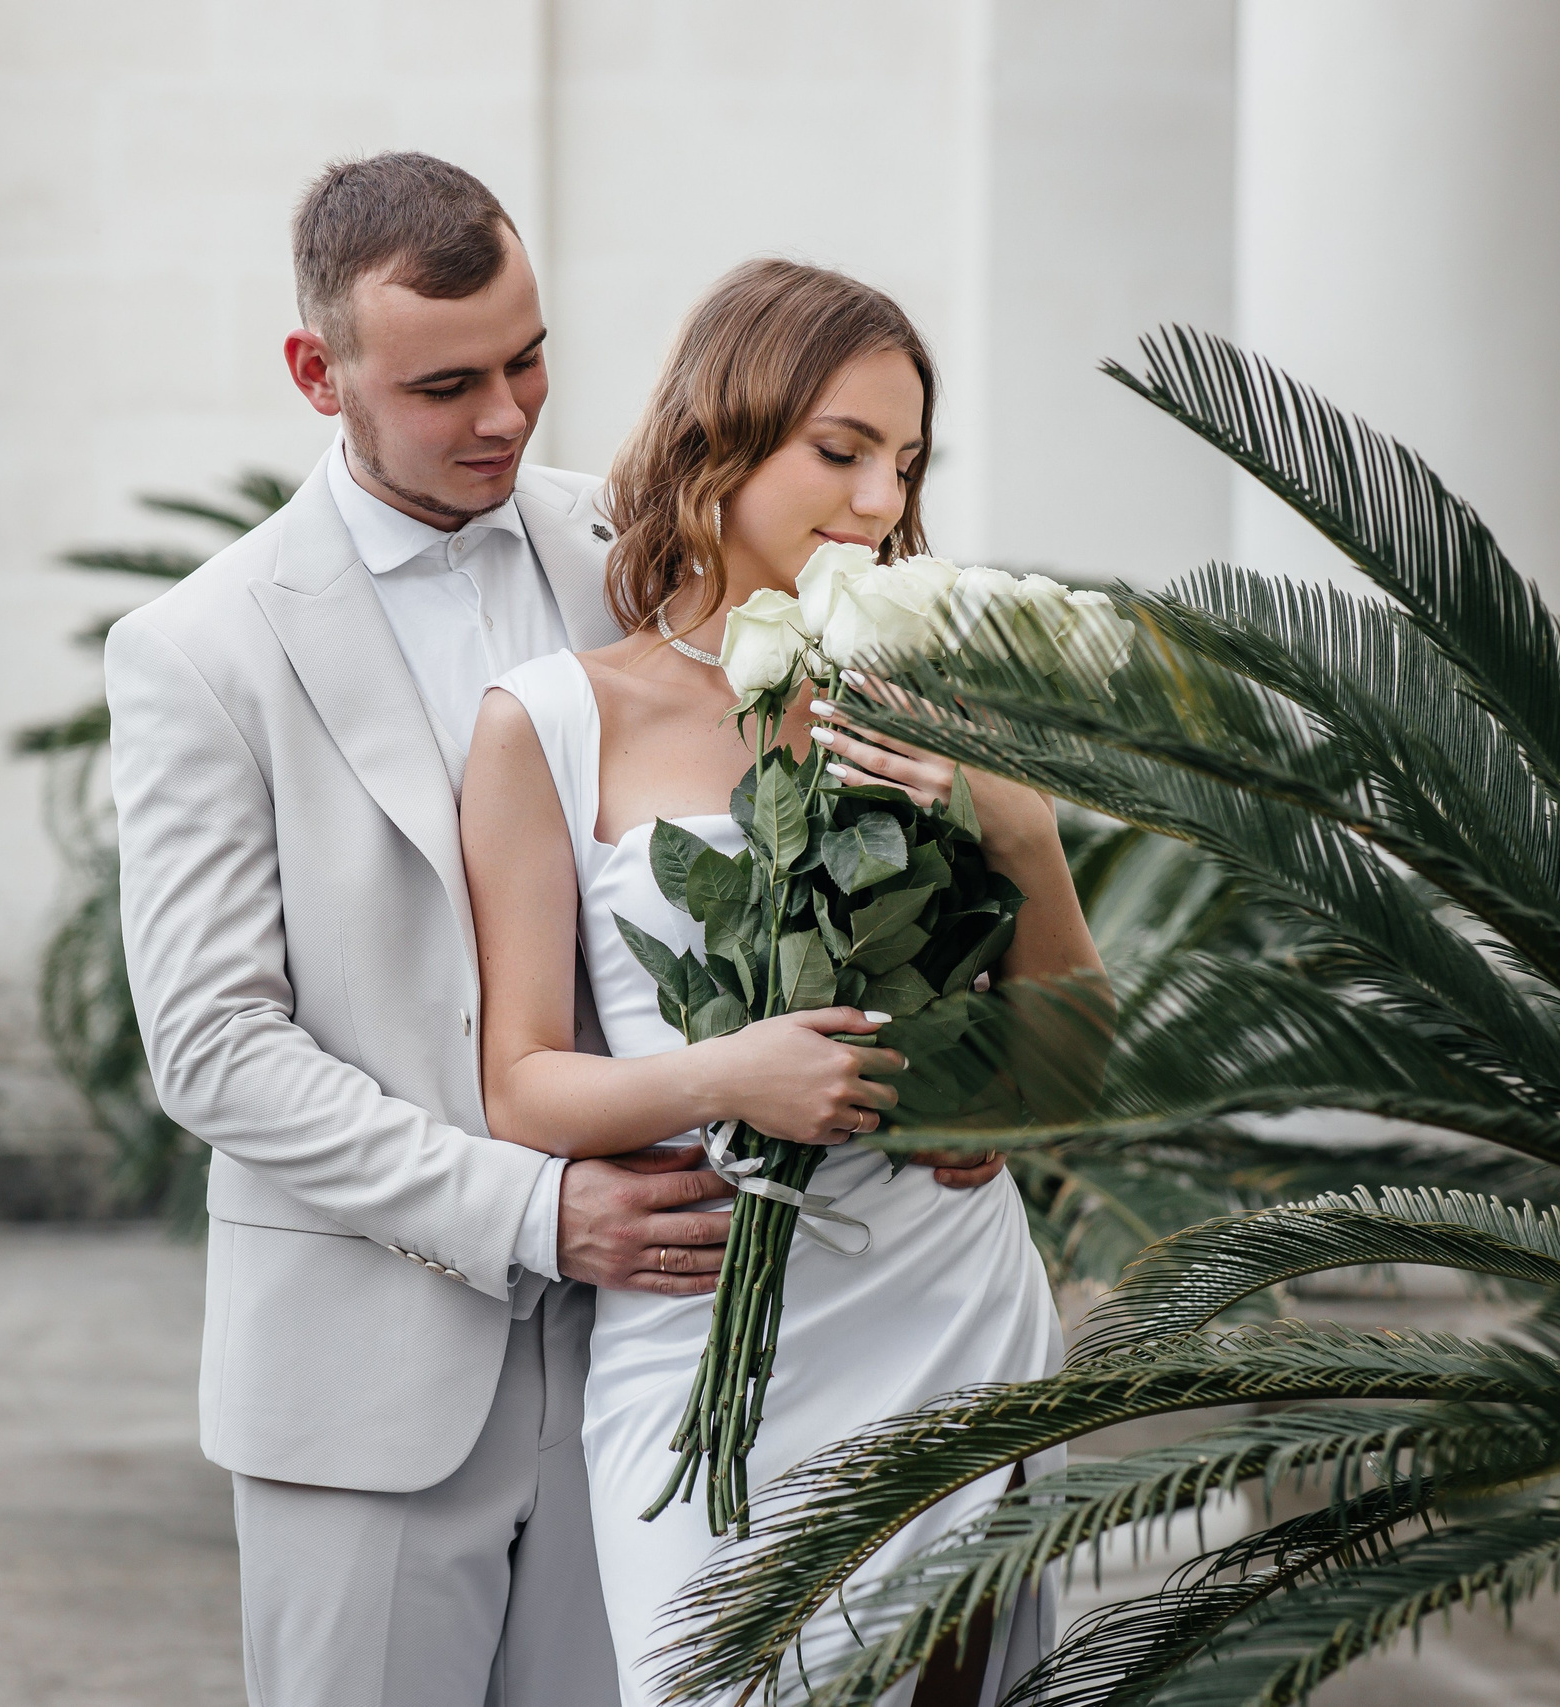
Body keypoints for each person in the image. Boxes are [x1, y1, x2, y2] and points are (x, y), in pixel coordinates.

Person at [108, 156, 1006, 1706]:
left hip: (674, 1357)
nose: (509, 416)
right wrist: (534, 1211)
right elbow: (215, 1050)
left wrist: (956, 1058)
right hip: (372, 1374)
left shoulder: (647, 542)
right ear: (318, 374)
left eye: (531, 359)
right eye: (448, 383)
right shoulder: (201, 650)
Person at [459, 259, 1098, 1706]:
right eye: (842, 451)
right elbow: (519, 1084)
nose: (881, 502)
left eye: (907, 462)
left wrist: (1017, 818)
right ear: (721, 437)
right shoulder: (551, 722)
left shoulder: (941, 700)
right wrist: (724, 1078)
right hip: (702, 1340)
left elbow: (1069, 1078)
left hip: (949, 1310)